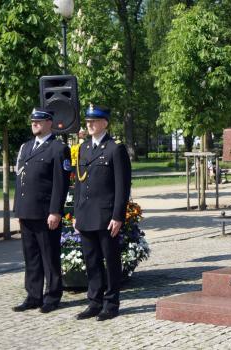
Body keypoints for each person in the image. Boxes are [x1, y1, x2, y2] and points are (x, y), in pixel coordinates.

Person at [74, 105, 132, 321]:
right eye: (88, 121)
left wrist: (118, 216)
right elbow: (79, 185)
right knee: (91, 261)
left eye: (94, 121)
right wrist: (76, 214)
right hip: (87, 215)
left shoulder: (115, 149)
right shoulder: (84, 148)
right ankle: (94, 302)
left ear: (105, 123)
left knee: (111, 260)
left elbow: (122, 187)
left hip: (106, 216)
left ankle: (111, 303)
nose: (89, 124)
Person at [12, 108, 71, 313]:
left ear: (49, 123)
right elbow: (21, 180)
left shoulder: (57, 148)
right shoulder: (26, 147)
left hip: (46, 213)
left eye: (38, 121)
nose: (34, 124)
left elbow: (60, 183)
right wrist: (17, 209)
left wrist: (55, 211)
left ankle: (53, 296)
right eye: (32, 121)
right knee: (31, 256)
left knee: (49, 256)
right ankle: (33, 295)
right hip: (26, 211)